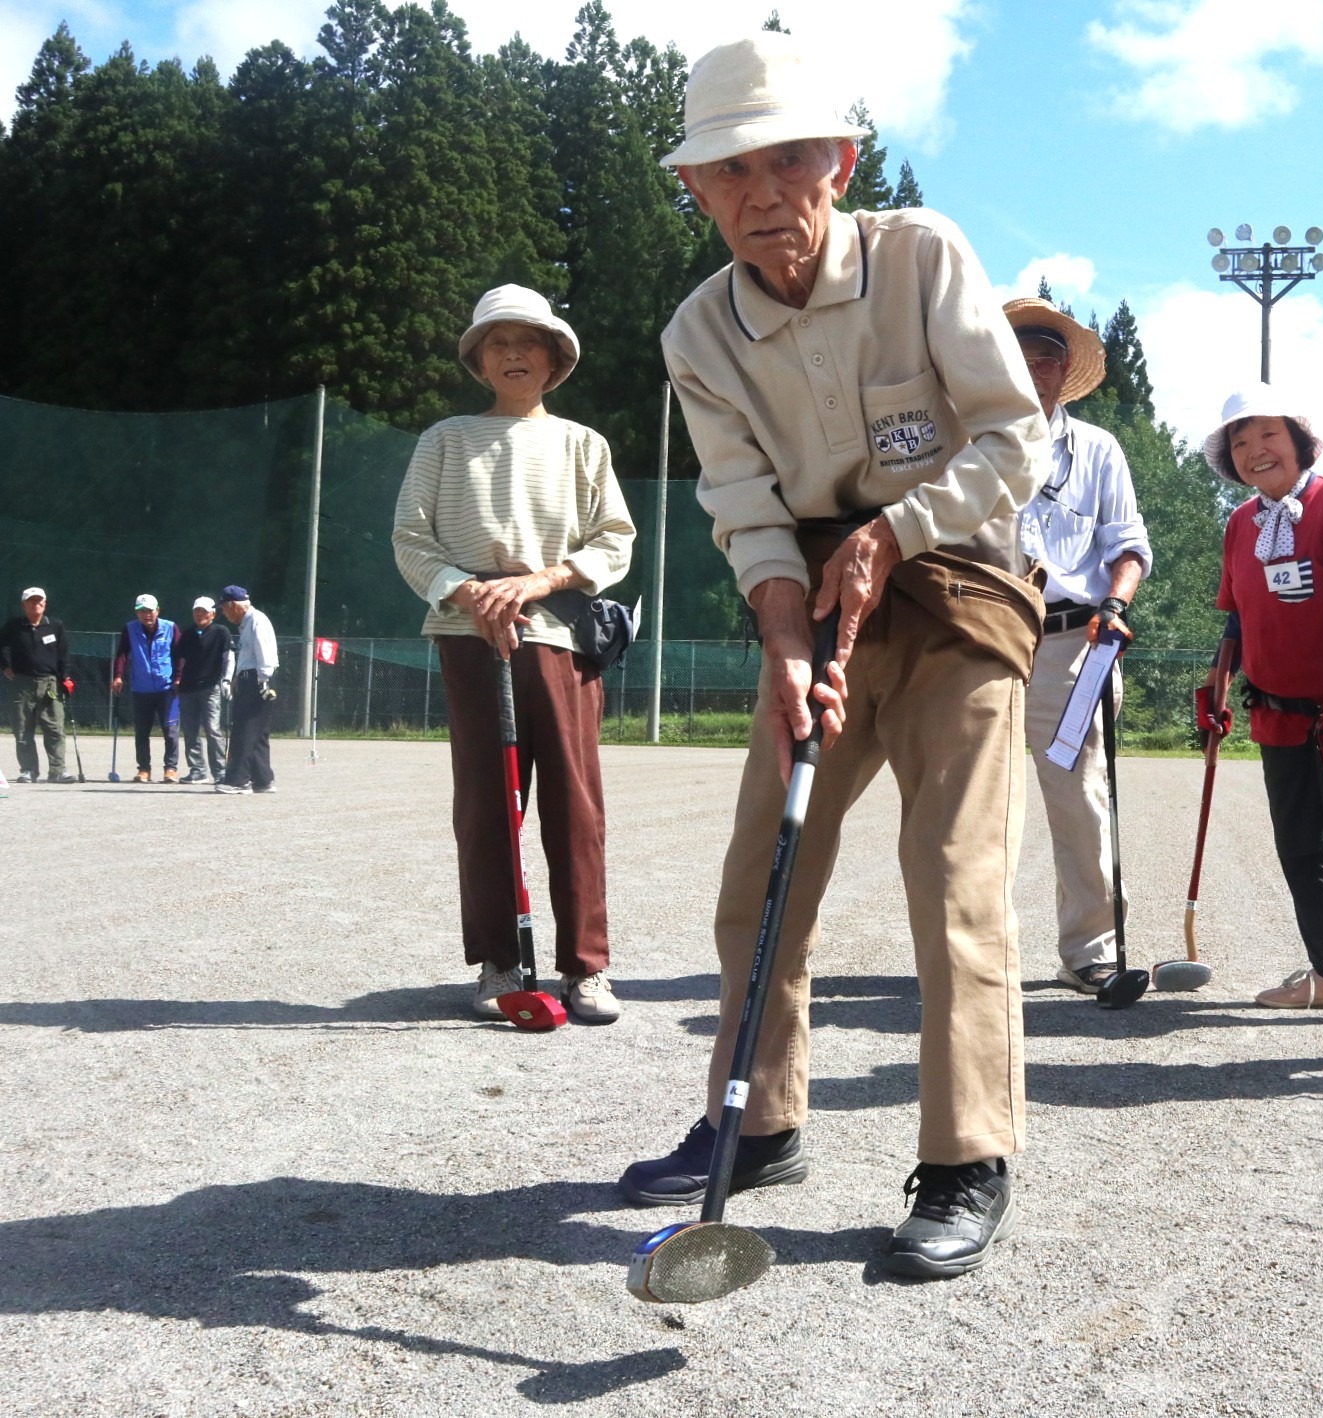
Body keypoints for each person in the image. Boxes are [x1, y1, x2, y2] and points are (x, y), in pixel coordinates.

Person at [620, 31, 1049, 1279]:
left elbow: (1012, 440)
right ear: (695, 190)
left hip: (960, 587)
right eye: (728, 171)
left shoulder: (921, 255)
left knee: (953, 871)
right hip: (811, 601)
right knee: (765, 869)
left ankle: (968, 1155)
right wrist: (782, 636)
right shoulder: (698, 332)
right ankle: (759, 1123)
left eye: (788, 160)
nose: (761, 194)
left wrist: (894, 531)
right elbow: (742, 502)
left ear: (840, 164)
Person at [392, 283, 637, 1024]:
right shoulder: (445, 439)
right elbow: (412, 539)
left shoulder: (584, 444)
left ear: (554, 358)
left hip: (560, 637)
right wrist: (473, 594)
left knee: (575, 805)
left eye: (528, 341)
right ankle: (499, 962)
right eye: (497, 342)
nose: (512, 353)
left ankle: (586, 968)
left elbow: (615, 541)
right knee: (486, 804)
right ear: (479, 361)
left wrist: (539, 582)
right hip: (470, 639)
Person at [1200, 386, 1323, 1026]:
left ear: (1299, 441)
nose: (1255, 450)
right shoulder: (1240, 524)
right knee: (1298, 844)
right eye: (1240, 441)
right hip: (1276, 710)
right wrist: (1217, 686)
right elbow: (1237, 618)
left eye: (1268, 434)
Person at [1001, 297, 1153, 994]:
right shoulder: (970, 439)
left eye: (1048, 359)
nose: (1035, 370)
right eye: (1022, 357)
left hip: (1073, 645)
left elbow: (1129, 545)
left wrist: (1116, 602)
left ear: (1066, 373)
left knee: (1081, 800)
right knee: (975, 802)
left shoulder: (1098, 449)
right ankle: (978, 951)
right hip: (984, 641)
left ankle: (1091, 950)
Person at [3, 586, 74, 783]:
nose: (36, 604)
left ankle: (57, 771)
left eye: (39, 601)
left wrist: (66, 677)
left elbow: (63, 654)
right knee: (22, 728)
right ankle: (28, 770)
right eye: (31, 601)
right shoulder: (14, 626)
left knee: (55, 728)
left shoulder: (55, 625)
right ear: (24, 605)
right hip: (22, 683)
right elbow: (1, 647)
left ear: (45, 604)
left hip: (50, 683)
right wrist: (4, 667)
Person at [215, 587, 279, 794]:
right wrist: (237, 678)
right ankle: (263, 779)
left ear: (233, 605)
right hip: (250, 677)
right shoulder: (248, 622)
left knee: (244, 730)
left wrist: (263, 682)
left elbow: (264, 653)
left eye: (224, 609)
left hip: (257, 680)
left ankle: (238, 780)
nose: (224, 614)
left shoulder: (256, 620)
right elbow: (249, 655)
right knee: (258, 731)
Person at [109, 594, 180, 783]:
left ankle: (170, 768)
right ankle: (144, 769)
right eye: (141, 611)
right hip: (141, 689)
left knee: (170, 730)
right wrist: (118, 676)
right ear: (137, 613)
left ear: (157, 610)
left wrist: (179, 678)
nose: (146, 614)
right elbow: (122, 653)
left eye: (149, 610)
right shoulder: (130, 629)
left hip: (168, 689)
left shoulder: (171, 627)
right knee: (142, 731)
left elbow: (180, 655)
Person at [172, 596, 232, 784]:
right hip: (187, 688)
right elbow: (179, 659)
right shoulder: (187, 634)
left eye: (204, 611)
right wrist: (177, 679)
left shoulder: (221, 632)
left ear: (213, 614)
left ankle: (220, 772)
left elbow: (228, 658)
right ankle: (197, 771)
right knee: (190, 731)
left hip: (210, 687)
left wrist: (227, 680)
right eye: (197, 611)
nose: (200, 615)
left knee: (213, 729)